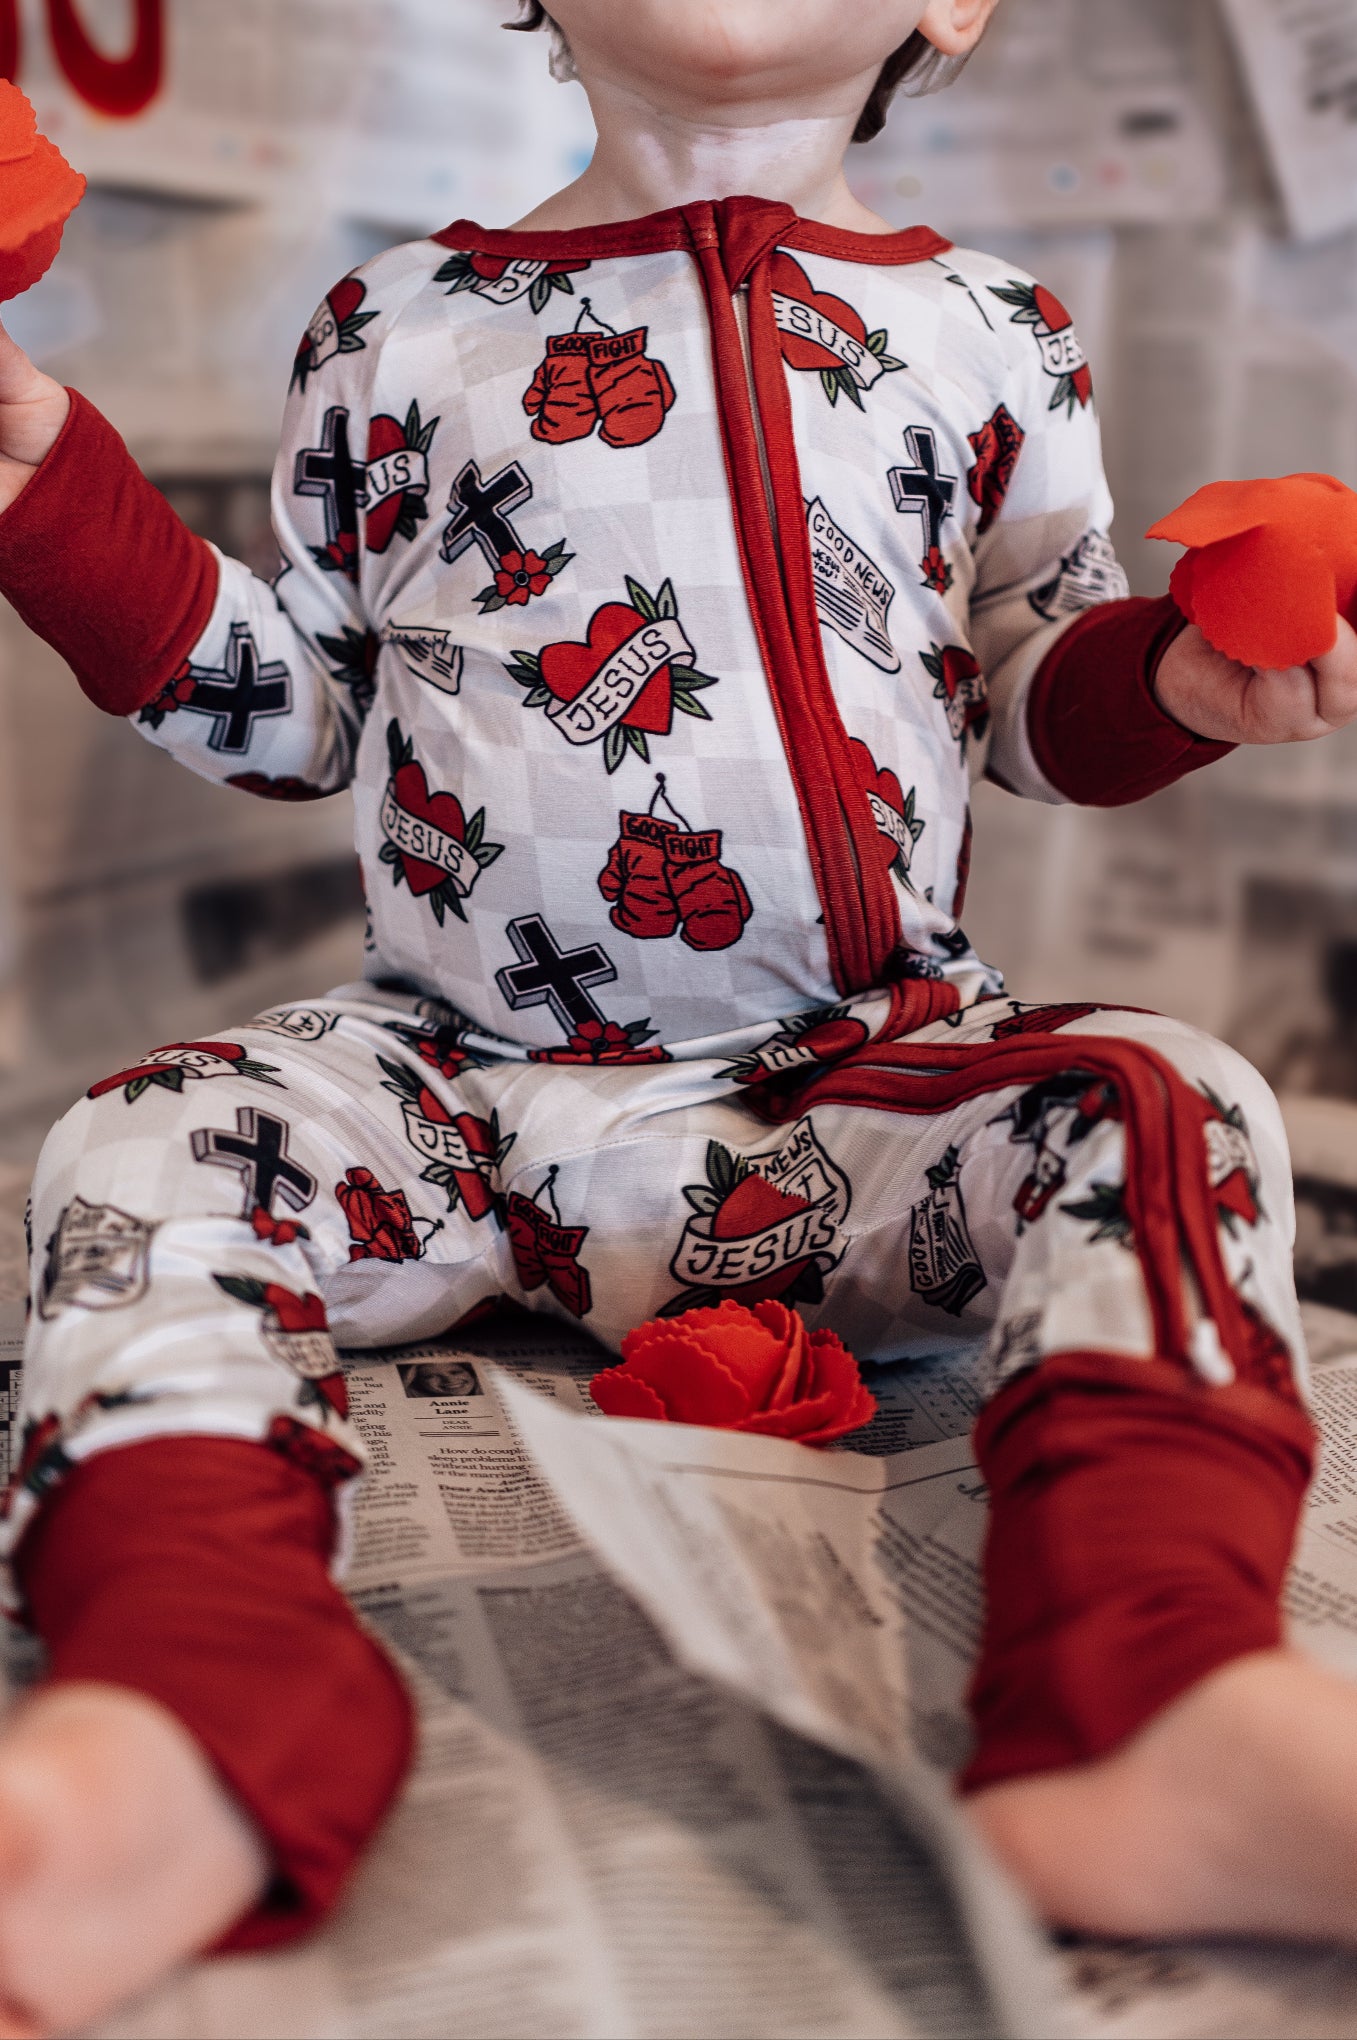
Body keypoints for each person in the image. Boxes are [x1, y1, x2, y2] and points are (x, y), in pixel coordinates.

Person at [0, 0, 1352, 2027]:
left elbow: (1021, 693)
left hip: (852, 1102)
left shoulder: (997, 331)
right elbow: (297, 708)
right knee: (136, 1137)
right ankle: (191, 1716)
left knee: (1172, 1092)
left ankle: (1145, 1696)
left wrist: (1171, 681)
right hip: (452, 1097)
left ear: (949, 1)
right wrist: (46, 472)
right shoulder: (393, 323)